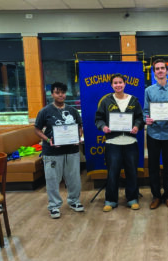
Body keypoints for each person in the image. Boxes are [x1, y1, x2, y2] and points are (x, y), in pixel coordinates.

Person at [34, 82, 84, 219]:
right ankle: (54, 206)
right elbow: (37, 129)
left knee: (74, 178)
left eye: (62, 92)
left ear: (65, 94)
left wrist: (78, 136)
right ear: (52, 94)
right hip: (52, 152)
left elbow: (79, 126)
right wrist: (47, 140)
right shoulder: (45, 111)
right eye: (57, 92)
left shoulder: (73, 110)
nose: (60, 95)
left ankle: (74, 201)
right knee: (52, 180)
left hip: (72, 150)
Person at [95, 73, 144, 212]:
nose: (118, 85)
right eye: (115, 83)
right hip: (113, 142)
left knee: (132, 172)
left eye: (120, 82)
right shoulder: (106, 101)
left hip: (130, 141)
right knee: (112, 172)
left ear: (124, 84)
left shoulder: (133, 100)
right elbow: (98, 118)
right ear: (112, 85)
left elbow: (140, 118)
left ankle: (132, 199)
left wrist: (136, 126)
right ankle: (110, 200)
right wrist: (103, 127)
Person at [143, 59, 168, 209]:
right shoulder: (148, 91)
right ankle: (155, 196)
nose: (160, 71)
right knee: (153, 167)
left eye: (162, 68)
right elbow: (145, 112)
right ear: (154, 73)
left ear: (167, 71)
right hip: (153, 133)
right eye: (157, 69)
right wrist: (146, 120)